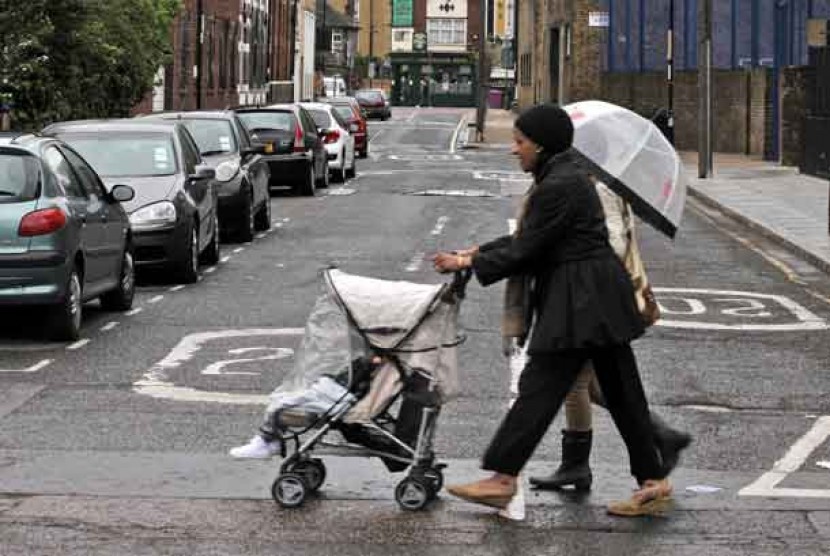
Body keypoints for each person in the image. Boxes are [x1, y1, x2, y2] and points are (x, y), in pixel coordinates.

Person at [431, 103, 673, 517]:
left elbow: (527, 247)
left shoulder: (560, 185)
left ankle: (502, 479)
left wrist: (468, 262)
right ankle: (653, 482)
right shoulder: (564, 178)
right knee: (622, 391)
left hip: (581, 301)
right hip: (596, 295)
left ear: (541, 146)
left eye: (520, 141)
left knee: (539, 388)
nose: (515, 149)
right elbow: (536, 236)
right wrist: (478, 251)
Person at [528, 181, 691, 492]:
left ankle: (576, 464)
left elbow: (613, 242)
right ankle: (661, 435)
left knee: (574, 381)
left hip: (594, 300)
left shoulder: (596, 189)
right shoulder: (595, 185)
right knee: (595, 383)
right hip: (593, 297)